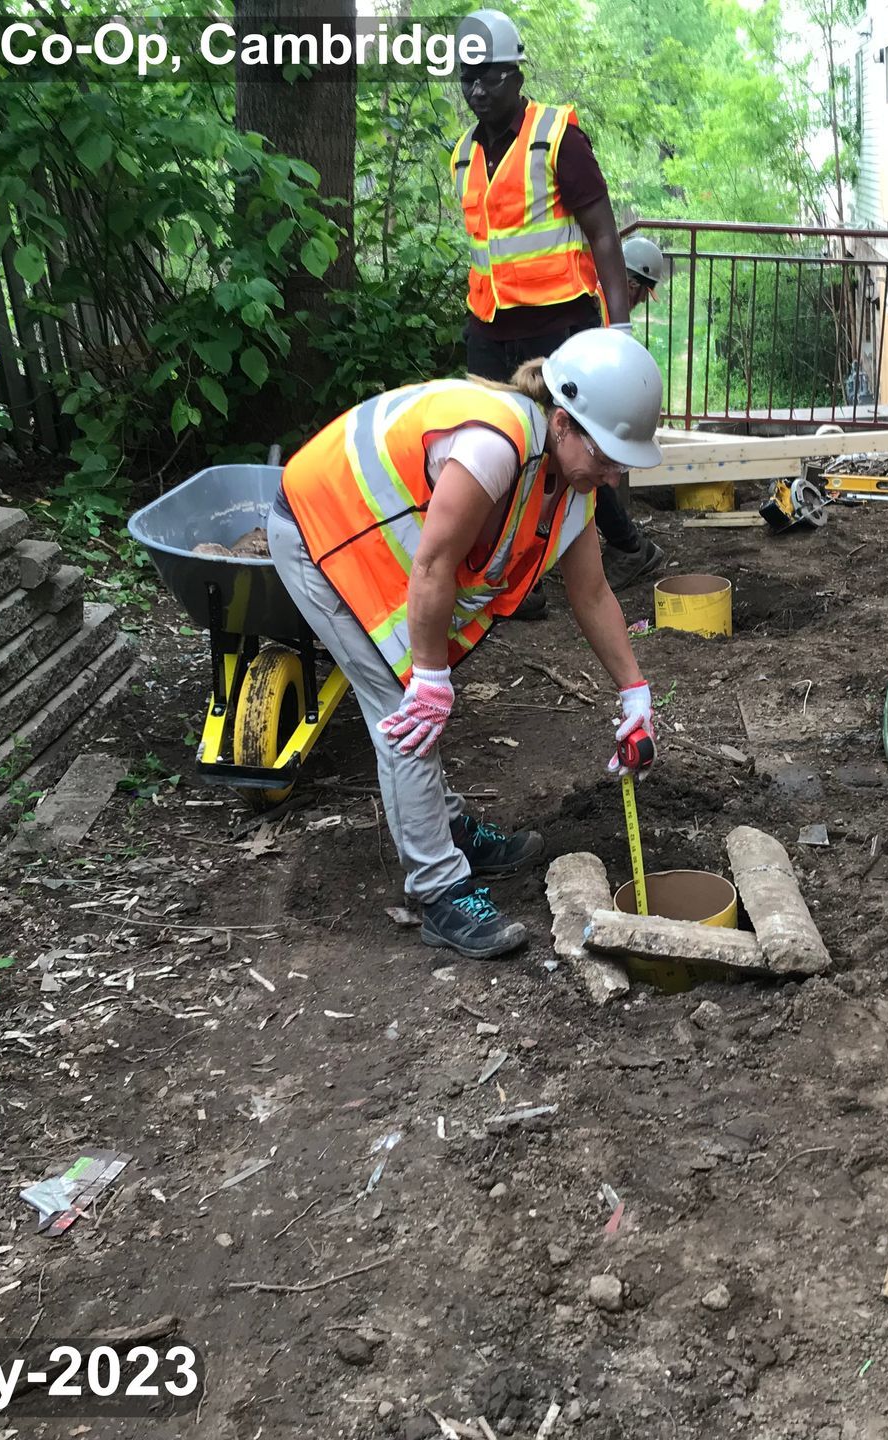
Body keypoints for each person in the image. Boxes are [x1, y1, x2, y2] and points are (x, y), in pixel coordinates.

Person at [266, 329, 666, 961]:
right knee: (407, 710)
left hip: (393, 545)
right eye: (608, 456)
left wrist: (635, 691)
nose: (614, 477)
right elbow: (433, 567)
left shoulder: (569, 483)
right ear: (563, 422)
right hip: (323, 530)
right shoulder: (493, 446)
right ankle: (438, 890)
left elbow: (591, 595)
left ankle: (443, 825)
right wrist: (427, 674)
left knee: (418, 696)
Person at [450, 8, 664, 610]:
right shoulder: (463, 154)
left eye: (490, 76)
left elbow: (602, 235)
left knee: (575, 449)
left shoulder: (557, 137)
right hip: (489, 327)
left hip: (558, 326)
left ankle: (621, 551)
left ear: (516, 74)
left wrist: (618, 326)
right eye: (468, 78)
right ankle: (522, 577)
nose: (477, 89)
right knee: (494, 447)